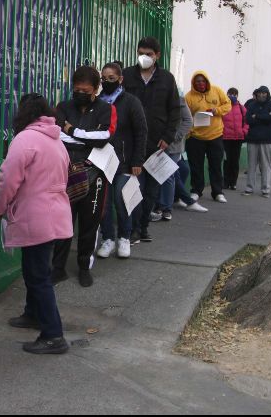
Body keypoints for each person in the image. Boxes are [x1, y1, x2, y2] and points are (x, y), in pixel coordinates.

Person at [0, 94, 73, 355]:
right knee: (36, 269)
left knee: (37, 276)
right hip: (55, 214)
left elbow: (7, 178)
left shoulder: (25, 139)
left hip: (35, 215)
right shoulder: (56, 139)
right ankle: (33, 314)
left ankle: (53, 335)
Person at [53, 66, 116, 287]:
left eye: (85, 90)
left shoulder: (105, 109)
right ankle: (57, 268)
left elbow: (103, 137)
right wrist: (84, 137)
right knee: (63, 222)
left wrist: (73, 132)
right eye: (77, 89)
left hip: (94, 174)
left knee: (90, 222)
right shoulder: (63, 107)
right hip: (65, 172)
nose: (80, 93)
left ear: (95, 89)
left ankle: (83, 267)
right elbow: (56, 134)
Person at [122, 36, 181, 244]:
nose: (144, 57)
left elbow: (175, 111)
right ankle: (131, 228)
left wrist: (168, 137)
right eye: (140, 53)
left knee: (151, 189)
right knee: (132, 187)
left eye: (148, 54)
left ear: (157, 56)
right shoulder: (127, 75)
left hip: (157, 143)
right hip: (132, 142)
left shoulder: (166, 78)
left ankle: (143, 227)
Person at [97, 62, 147, 259]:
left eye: (111, 78)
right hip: (101, 160)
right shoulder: (99, 101)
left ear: (120, 79)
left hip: (125, 161)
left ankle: (124, 237)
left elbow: (141, 132)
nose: (107, 82)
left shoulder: (131, 102)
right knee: (103, 201)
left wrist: (138, 161)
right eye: (104, 78)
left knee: (121, 197)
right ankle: (107, 238)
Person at [152, 89, 208, 219]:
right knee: (161, 175)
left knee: (168, 175)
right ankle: (163, 205)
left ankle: (166, 208)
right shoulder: (154, 96)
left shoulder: (178, 99)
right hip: (156, 144)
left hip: (172, 146)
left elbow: (188, 121)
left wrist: (173, 137)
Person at [184, 71, 231, 203]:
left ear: (207, 81)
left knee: (216, 164)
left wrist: (217, 111)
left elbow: (227, 105)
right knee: (196, 166)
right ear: (194, 83)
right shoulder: (188, 97)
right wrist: (189, 132)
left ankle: (217, 192)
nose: (201, 83)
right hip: (195, 137)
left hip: (215, 135)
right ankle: (196, 191)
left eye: (203, 81)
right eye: (198, 81)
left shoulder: (216, 91)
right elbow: (185, 116)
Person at [243, 86, 271, 197]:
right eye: (260, 93)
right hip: (253, 139)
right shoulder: (252, 105)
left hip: (266, 140)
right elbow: (248, 119)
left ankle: (266, 189)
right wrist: (263, 117)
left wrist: (256, 116)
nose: (262, 95)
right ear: (257, 94)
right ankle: (249, 188)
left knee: (265, 165)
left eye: (264, 93)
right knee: (251, 165)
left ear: (267, 94)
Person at [221, 87, 249, 190]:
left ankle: (233, 183)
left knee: (235, 161)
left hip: (238, 138)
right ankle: (225, 182)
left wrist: (244, 131)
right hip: (226, 138)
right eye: (230, 94)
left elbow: (247, 121)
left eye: (234, 94)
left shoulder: (242, 108)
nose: (232, 96)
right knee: (226, 161)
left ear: (237, 95)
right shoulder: (223, 107)